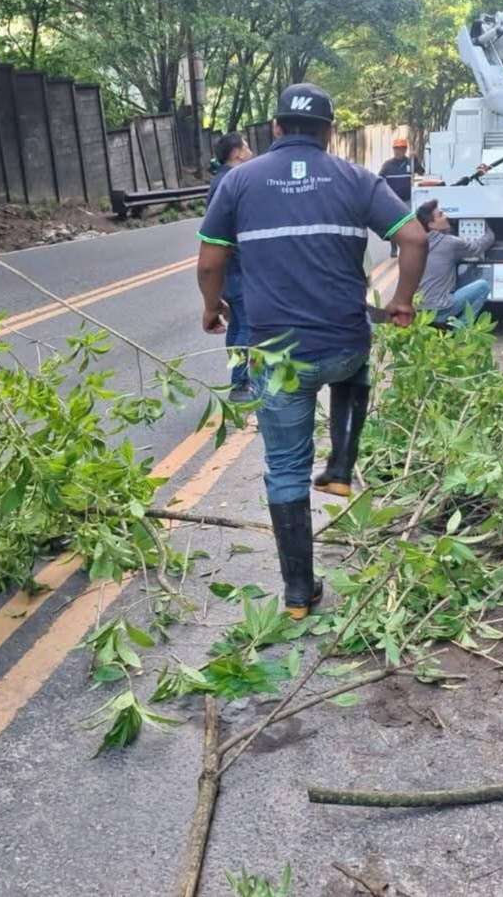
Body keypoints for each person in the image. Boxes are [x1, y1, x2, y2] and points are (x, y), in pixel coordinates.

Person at [196, 84, 428, 618]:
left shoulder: (237, 182)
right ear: (328, 132)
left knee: (283, 468)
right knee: (354, 363)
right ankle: (342, 465)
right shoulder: (356, 179)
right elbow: (414, 238)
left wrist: (213, 308)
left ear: (275, 128)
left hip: (277, 356)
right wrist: (404, 302)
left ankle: (298, 594)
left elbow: (210, 265)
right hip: (343, 343)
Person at [208, 132, 256, 403]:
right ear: (237, 152)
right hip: (236, 264)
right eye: (246, 146)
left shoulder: (221, 179)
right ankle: (240, 383)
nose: (249, 150)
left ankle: (239, 381)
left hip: (228, 266)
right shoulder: (232, 180)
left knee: (238, 323)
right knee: (247, 324)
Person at [415, 191, 495, 327]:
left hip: (419, 311)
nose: (446, 217)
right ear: (431, 225)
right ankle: (462, 329)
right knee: (483, 286)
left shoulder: (414, 244)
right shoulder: (450, 243)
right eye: (441, 215)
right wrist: (489, 230)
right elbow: (478, 246)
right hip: (440, 310)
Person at [378, 137, 423, 256]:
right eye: (396, 149)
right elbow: (379, 180)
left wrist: (416, 160)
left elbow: (421, 172)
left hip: (408, 199)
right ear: (393, 150)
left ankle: (408, 248)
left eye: (401, 149)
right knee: (394, 225)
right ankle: (393, 249)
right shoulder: (387, 165)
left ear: (405, 150)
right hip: (392, 200)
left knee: (408, 225)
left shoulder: (410, 163)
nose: (398, 151)